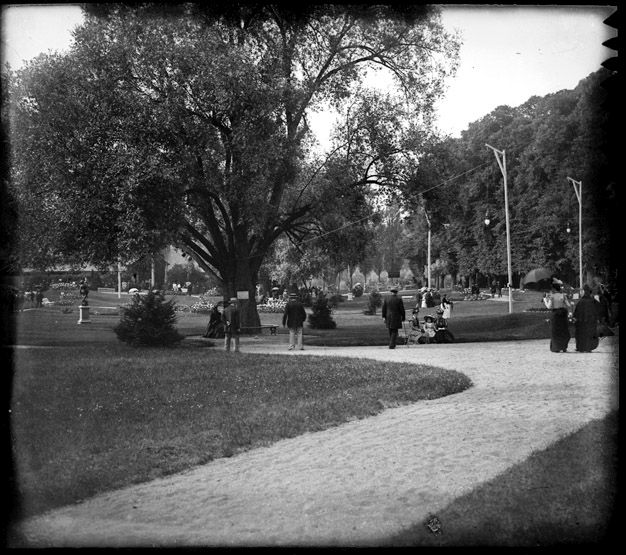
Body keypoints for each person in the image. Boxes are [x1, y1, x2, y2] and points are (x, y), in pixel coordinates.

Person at [543, 278, 572, 353]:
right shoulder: (563, 295)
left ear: (553, 289)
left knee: (555, 331)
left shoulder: (552, 296)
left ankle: (556, 347)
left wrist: (545, 300)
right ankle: (564, 347)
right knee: (563, 330)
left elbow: (549, 306)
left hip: (555, 314)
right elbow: (568, 305)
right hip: (563, 314)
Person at [573, 284, 600, 353]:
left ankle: (581, 347)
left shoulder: (581, 301)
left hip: (581, 321)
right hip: (591, 320)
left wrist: (575, 318)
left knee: (581, 333)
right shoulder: (593, 300)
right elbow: (597, 309)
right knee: (590, 333)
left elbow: (576, 312)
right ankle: (589, 347)